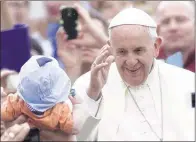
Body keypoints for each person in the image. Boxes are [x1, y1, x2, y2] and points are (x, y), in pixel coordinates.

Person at [72, 7, 194, 141]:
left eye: (138, 51)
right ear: (110, 47)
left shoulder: (188, 82)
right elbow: (78, 138)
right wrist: (93, 95)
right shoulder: (87, 84)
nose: (131, 62)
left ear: (156, 46)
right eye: (122, 52)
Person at [1, 56, 80, 135]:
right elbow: (75, 129)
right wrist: (77, 104)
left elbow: (3, 114)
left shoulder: (17, 102)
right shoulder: (60, 111)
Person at [155, 1, 195, 71]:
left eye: (180, 20)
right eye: (165, 21)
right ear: (158, 30)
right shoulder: (149, 64)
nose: (173, 27)